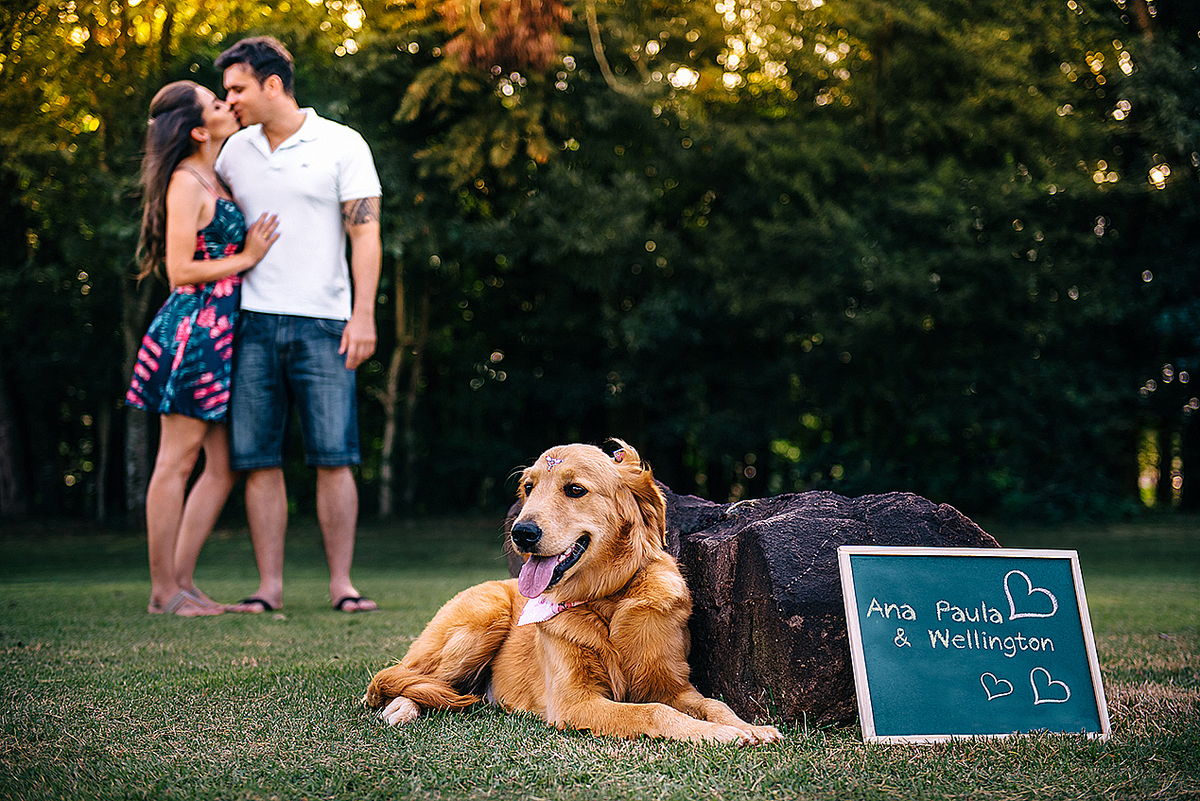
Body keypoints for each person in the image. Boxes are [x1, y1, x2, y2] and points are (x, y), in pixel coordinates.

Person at [213, 37, 383, 614]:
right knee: (258, 459)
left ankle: (343, 585)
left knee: (335, 456)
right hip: (250, 325)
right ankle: (269, 589)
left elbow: (366, 233)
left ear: (273, 84)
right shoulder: (232, 152)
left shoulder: (343, 143)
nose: (228, 98)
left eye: (237, 87)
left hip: (327, 323)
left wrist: (363, 314)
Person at [127, 81, 280, 617]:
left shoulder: (213, 174)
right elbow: (179, 270)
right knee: (175, 461)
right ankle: (162, 591)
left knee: (221, 466)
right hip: (195, 331)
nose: (227, 105)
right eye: (216, 104)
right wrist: (250, 256)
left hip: (221, 333)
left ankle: (184, 585)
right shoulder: (185, 182)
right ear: (197, 128)